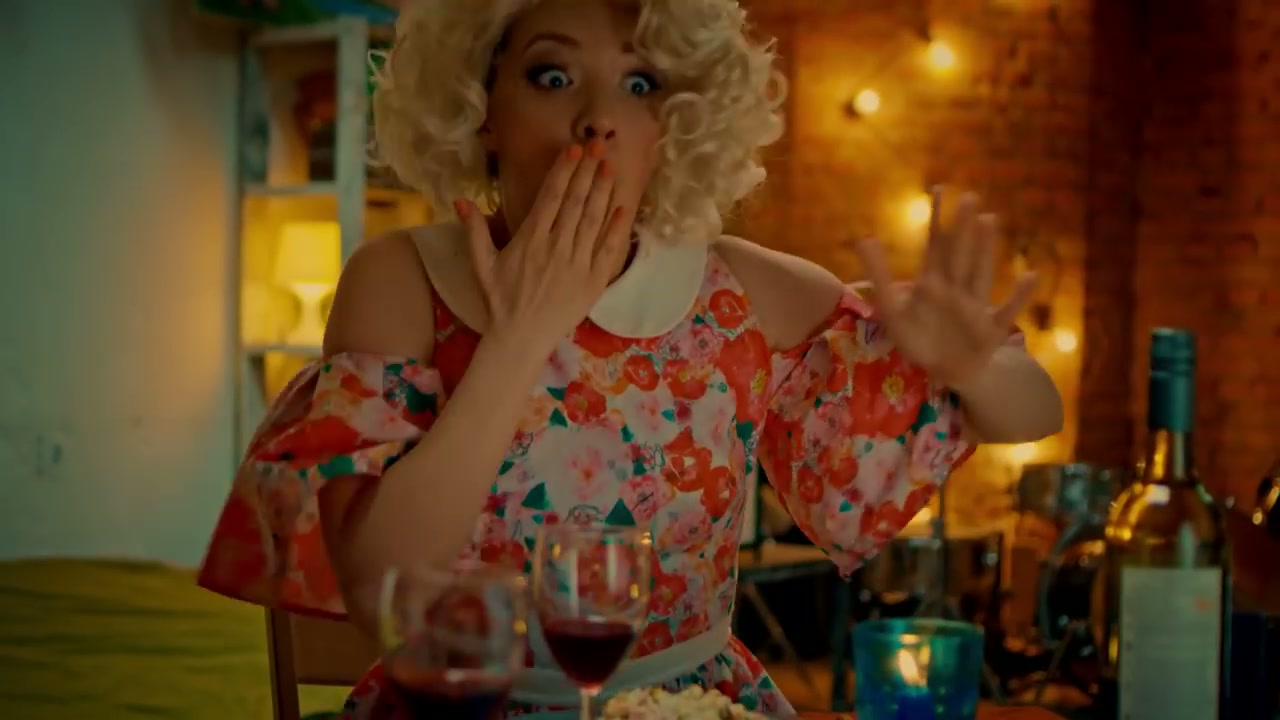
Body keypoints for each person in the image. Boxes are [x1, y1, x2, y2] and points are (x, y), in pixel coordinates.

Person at [197, 0, 1064, 717]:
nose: (598, 118)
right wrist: (521, 337)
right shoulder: (400, 281)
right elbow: (382, 583)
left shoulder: (741, 289)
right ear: (480, 105)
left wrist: (972, 366)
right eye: (552, 75)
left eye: (641, 83)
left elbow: (1035, 410)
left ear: (675, 128)